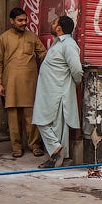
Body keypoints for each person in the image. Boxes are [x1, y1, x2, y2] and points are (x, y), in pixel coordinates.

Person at [0, 8, 48, 158]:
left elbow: (42, 52)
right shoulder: (3, 38)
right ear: (11, 21)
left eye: (25, 20)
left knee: (31, 117)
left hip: (29, 82)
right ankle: (16, 147)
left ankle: (35, 145)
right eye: (20, 20)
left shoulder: (32, 36)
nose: (23, 23)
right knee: (13, 117)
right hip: (10, 82)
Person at [33, 16, 83, 169]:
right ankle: (59, 157)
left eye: (54, 22)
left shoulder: (68, 44)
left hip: (58, 92)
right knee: (55, 126)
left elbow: (76, 70)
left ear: (59, 27)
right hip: (49, 92)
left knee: (42, 121)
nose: (52, 24)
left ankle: (56, 150)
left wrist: (70, 85)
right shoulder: (58, 43)